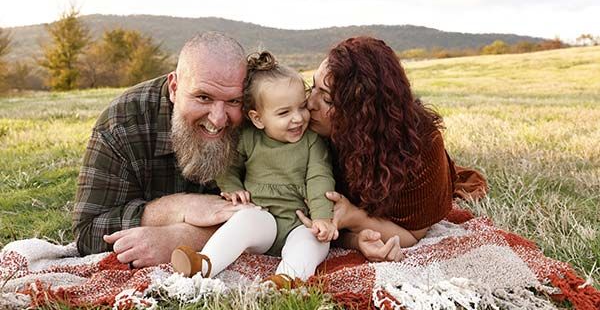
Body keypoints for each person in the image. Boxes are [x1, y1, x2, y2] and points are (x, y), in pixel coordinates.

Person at [72, 32, 257, 267]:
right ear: (174, 87)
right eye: (203, 97)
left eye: (234, 101)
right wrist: (176, 208)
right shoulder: (123, 124)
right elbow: (88, 232)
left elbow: (286, 213)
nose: (219, 119)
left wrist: (183, 239)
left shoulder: (262, 114)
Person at [299, 36, 488, 262]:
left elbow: (411, 234)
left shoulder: (420, 147)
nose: (310, 103)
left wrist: (356, 218)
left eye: (328, 99)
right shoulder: (302, 129)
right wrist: (353, 239)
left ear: (362, 113)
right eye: (313, 86)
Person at [171, 51, 337, 281]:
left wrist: (322, 218)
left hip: (299, 221)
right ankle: (205, 263)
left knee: (314, 243)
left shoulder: (312, 142)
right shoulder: (249, 139)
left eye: (301, 107)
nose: (298, 118)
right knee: (243, 222)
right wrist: (232, 186)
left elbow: (320, 178)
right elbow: (228, 165)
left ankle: (286, 280)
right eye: (284, 112)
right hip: (263, 217)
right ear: (258, 118)